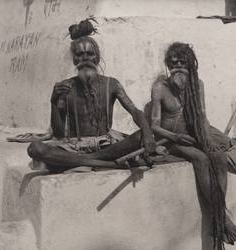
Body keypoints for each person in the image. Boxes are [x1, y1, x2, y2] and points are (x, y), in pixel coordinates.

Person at [151, 42, 236, 250]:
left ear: (191, 64)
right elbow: (155, 126)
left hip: (195, 133)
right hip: (172, 140)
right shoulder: (160, 88)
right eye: (174, 63)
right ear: (168, 65)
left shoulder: (198, 85)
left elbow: (203, 117)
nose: (178, 67)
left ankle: (219, 213)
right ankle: (223, 220)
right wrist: (175, 137)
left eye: (183, 62)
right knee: (200, 158)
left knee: (217, 155)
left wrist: (207, 140)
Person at [27, 19, 155, 170]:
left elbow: (134, 111)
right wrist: (53, 101)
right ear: (74, 59)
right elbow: (60, 134)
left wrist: (147, 133)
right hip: (75, 146)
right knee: (35, 148)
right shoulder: (65, 87)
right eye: (80, 54)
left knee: (141, 136)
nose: (85, 58)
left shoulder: (112, 84)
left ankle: (84, 160)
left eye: (90, 54)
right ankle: (103, 163)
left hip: (106, 145)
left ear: (97, 57)